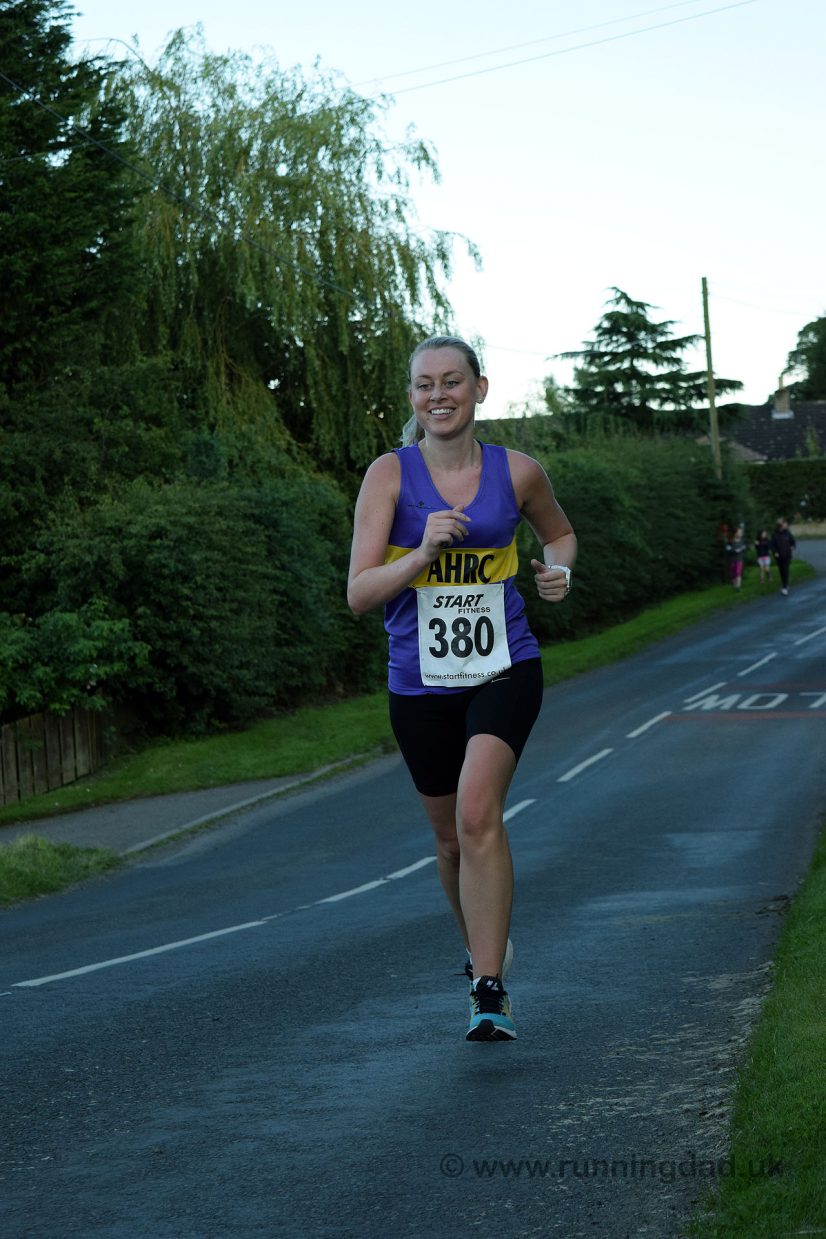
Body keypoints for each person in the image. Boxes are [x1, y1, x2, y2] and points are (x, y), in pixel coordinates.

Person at [348, 335, 576, 1042]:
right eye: (424, 385)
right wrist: (421, 553)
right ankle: (482, 943)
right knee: (449, 841)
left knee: (480, 813)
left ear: (480, 388)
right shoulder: (389, 476)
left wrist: (557, 572)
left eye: (452, 381)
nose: (437, 395)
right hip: (418, 681)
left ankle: (489, 987)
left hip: (505, 665)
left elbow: (560, 537)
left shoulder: (519, 472)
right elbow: (359, 593)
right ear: (413, 398)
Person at [770, 517, 796, 596]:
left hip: (787, 554)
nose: (786, 525)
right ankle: (785, 584)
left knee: (785, 569)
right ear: (781, 525)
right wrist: (775, 552)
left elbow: (793, 541)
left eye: (786, 523)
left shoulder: (788, 533)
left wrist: (792, 546)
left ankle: (785, 587)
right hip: (779, 556)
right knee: (781, 570)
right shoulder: (775, 534)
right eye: (785, 524)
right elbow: (772, 545)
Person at [725, 525, 747, 590]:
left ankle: (738, 587)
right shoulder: (730, 541)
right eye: (739, 532)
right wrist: (734, 550)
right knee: (732, 574)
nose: (740, 534)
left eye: (741, 532)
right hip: (732, 560)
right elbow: (727, 549)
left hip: (739, 559)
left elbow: (744, 547)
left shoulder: (742, 541)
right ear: (735, 533)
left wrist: (743, 548)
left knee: (738, 573)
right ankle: (735, 586)